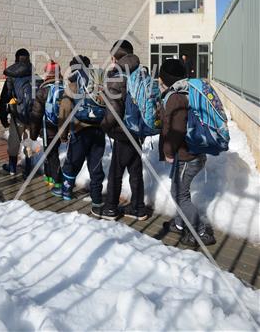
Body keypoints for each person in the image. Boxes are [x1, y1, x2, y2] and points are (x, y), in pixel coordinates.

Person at [158, 59, 216, 247]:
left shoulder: (175, 97)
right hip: (194, 152)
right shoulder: (188, 89)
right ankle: (180, 223)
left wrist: (168, 151)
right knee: (178, 190)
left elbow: (176, 130)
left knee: (180, 195)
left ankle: (200, 232)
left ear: (164, 79)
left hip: (186, 156)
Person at [100, 40, 148, 221]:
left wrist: (104, 125)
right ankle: (138, 208)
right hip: (138, 129)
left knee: (115, 172)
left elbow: (114, 110)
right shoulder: (141, 71)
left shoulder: (117, 74)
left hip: (122, 131)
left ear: (115, 56)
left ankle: (111, 208)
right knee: (136, 171)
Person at [58, 55, 106, 208]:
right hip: (99, 130)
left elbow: (64, 110)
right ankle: (97, 198)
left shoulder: (73, 85)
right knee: (96, 164)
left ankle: (66, 191)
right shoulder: (98, 83)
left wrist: (63, 134)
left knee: (72, 161)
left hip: (80, 130)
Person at [0, 48, 34, 178]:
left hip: (17, 114)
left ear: (16, 59)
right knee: (28, 142)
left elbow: (5, 97)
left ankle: (12, 168)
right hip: (32, 115)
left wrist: (2, 115)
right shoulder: (32, 73)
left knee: (14, 141)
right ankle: (28, 170)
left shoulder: (12, 75)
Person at [30, 60, 63, 189]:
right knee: (51, 152)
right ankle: (49, 176)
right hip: (61, 127)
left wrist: (33, 134)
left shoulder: (43, 90)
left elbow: (36, 115)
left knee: (51, 153)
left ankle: (57, 181)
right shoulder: (65, 87)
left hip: (47, 129)